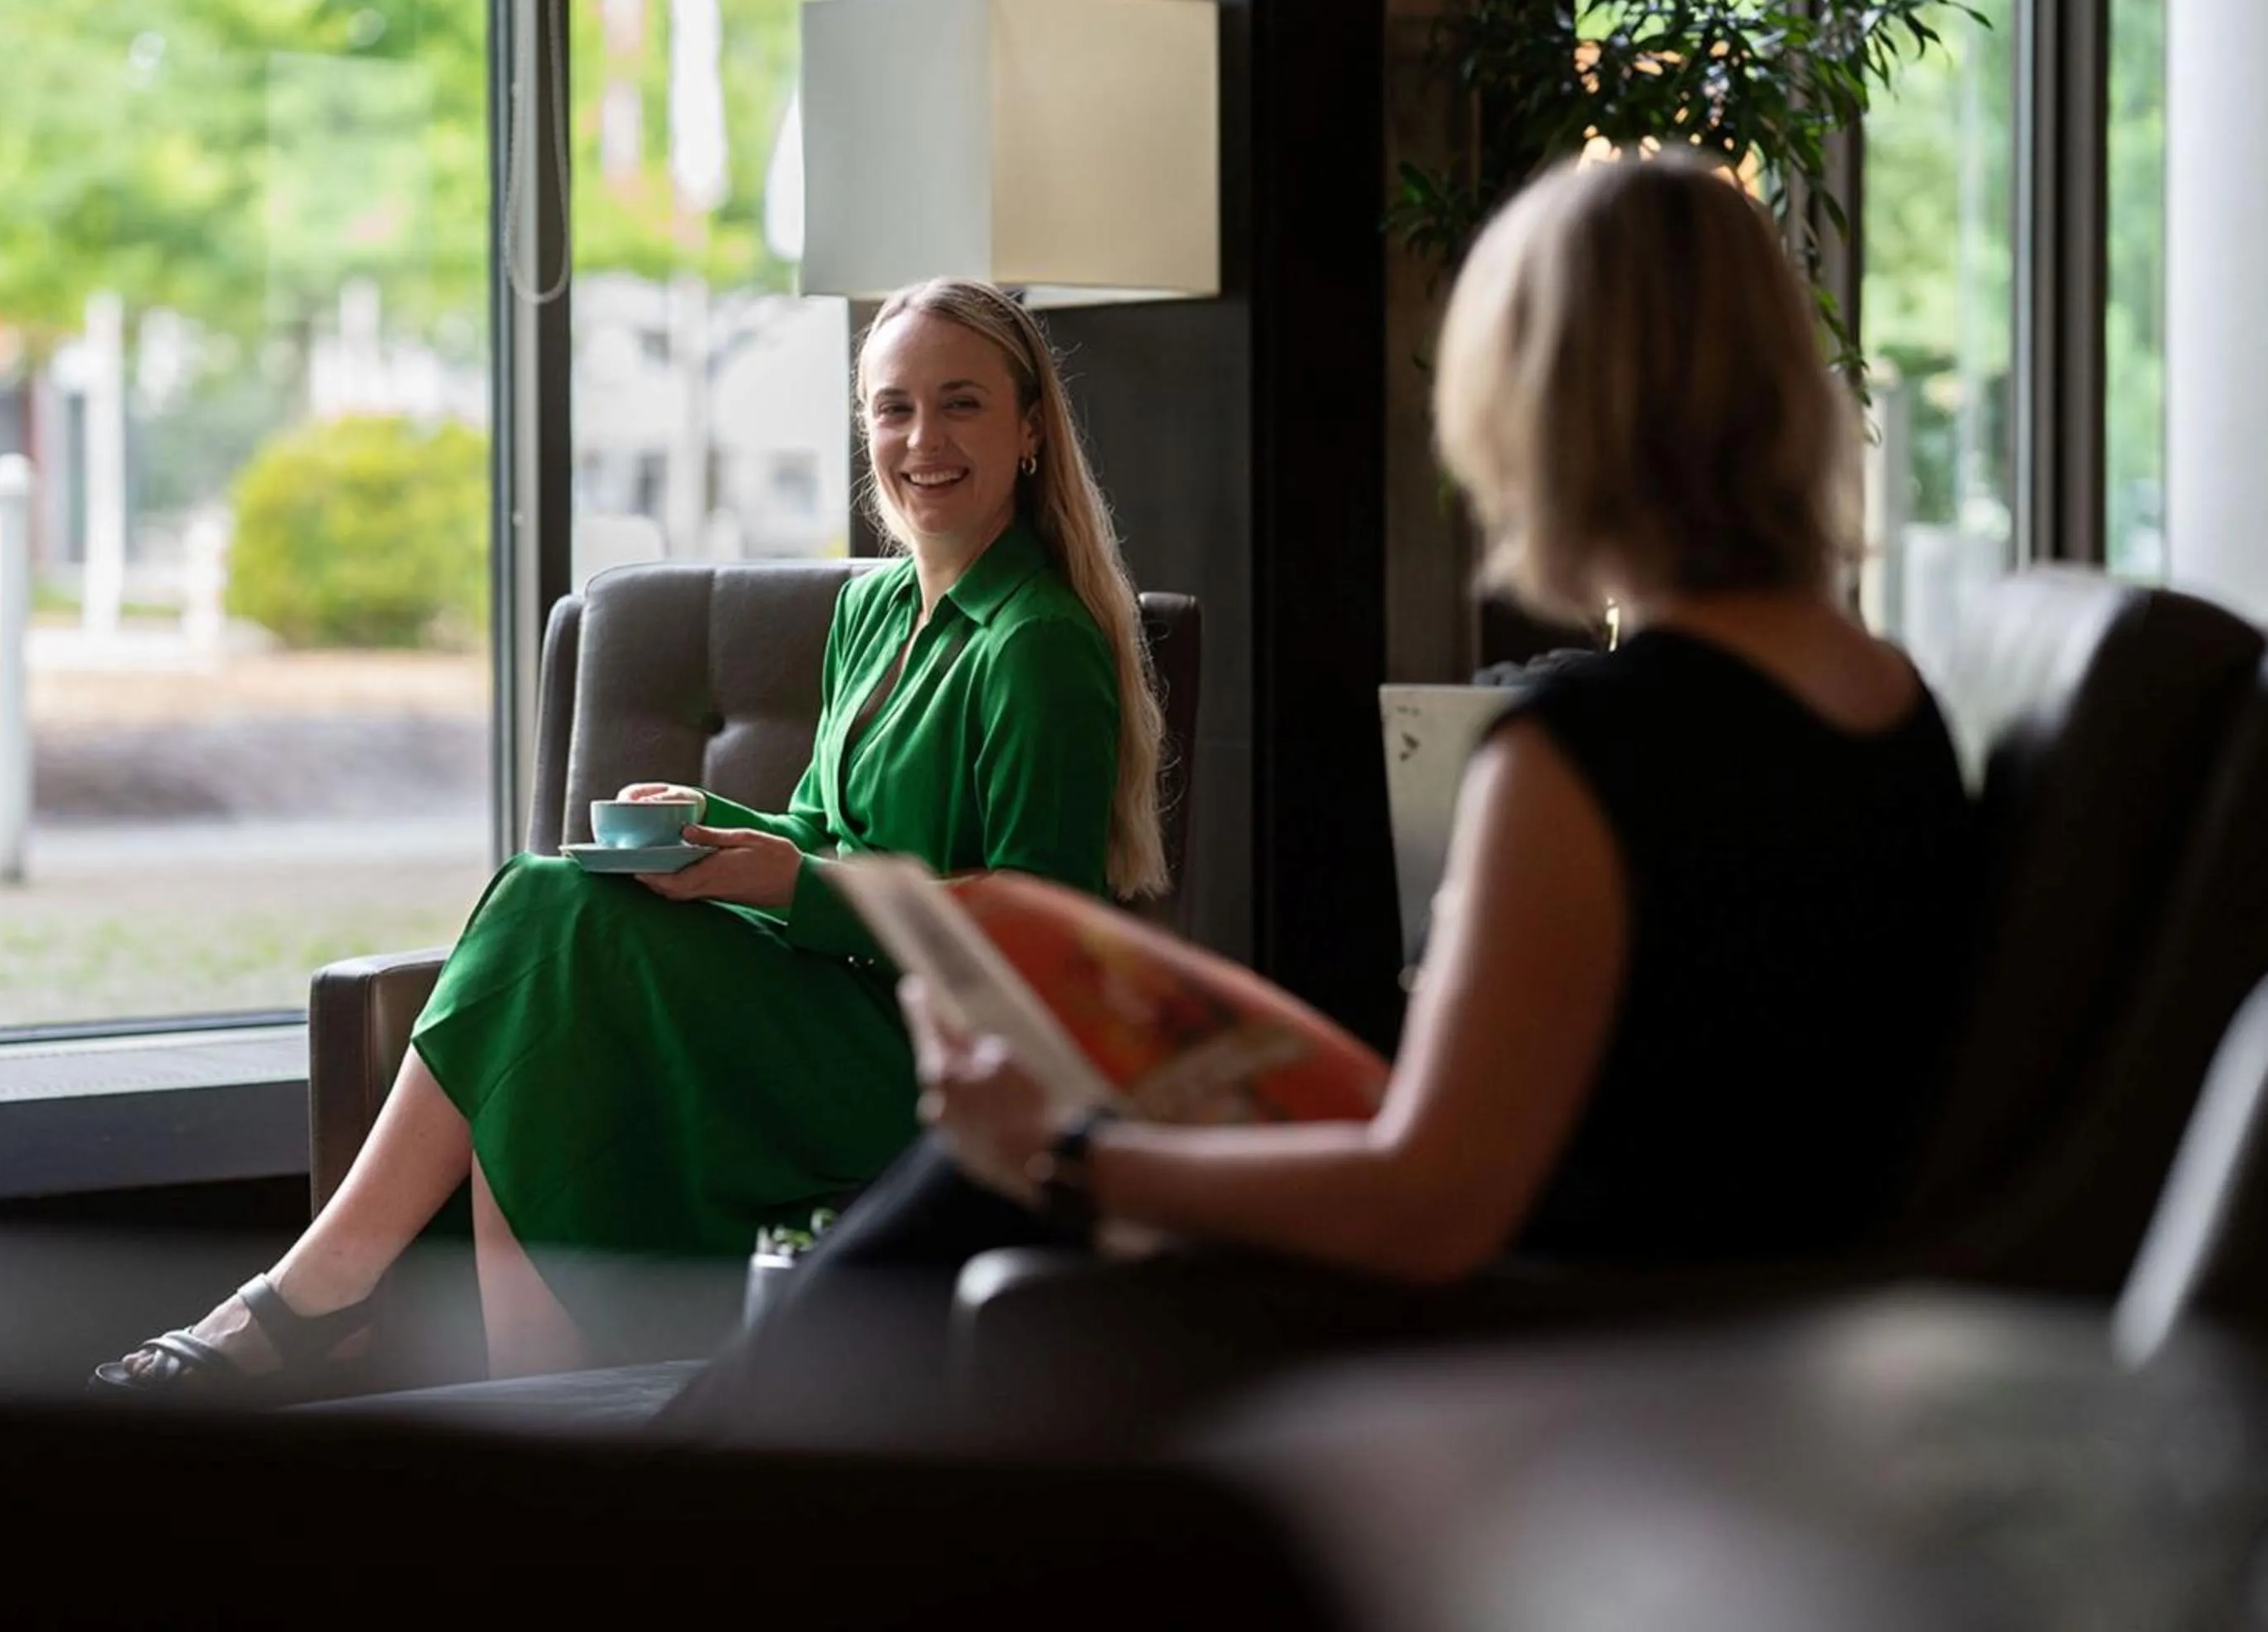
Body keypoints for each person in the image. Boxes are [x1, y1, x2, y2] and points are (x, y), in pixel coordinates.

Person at [654, 149, 1982, 1446]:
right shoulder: (1895, 707)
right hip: (1756, 1327)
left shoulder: (1581, 759)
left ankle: (682, 1501)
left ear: (1546, 419)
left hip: (1571, 1344)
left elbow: (1428, 1202)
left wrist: (1070, 1157)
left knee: (978, 1179)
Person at [92, 277, 1170, 1398]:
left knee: (546, 916)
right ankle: (509, 1382)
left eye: (961, 405)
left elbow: (1042, 935)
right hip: (823, 1001)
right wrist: (720, 823)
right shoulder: (875, 609)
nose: (922, 440)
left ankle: (318, 1299)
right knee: (554, 930)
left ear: (1030, 429)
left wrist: (792, 883)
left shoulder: (1035, 644)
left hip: (926, 1064)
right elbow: (828, 827)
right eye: (893, 408)